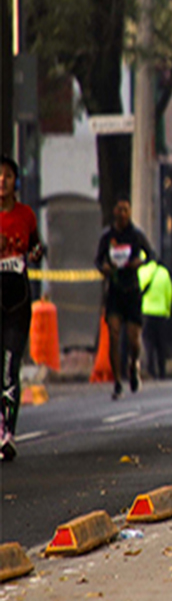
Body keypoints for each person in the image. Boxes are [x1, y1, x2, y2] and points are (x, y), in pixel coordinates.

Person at [0, 155, 44, 461]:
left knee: (9, 367)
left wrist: (38, 252)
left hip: (17, 300)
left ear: (16, 181)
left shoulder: (26, 215)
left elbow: (36, 247)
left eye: (7, 176)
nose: (1, 181)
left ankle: (8, 433)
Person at [95, 197, 156, 400]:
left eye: (126, 209)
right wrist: (103, 267)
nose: (122, 213)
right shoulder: (108, 236)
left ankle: (133, 365)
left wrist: (141, 262)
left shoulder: (136, 235)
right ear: (114, 211)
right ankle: (117, 381)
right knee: (113, 334)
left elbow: (152, 255)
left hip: (132, 290)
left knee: (133, 339)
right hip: (114, 291)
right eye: (119, 209)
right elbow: (97, 259)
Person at [138, 257, 172, 380]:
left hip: (146, 312)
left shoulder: (142, 271)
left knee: (149, 344)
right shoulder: (164, 273)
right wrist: (168, 310)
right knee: (161, 344)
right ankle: (162, 371)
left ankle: (150, 370)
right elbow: (169, 293)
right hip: (161, 313)